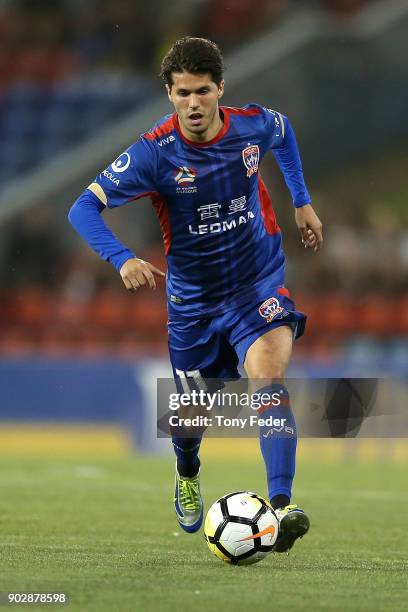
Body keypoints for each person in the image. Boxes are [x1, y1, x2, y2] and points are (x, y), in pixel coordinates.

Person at [69, 37, 323, 552]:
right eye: (182, 93)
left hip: (257, 285)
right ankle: (187, 469)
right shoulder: (152, 153)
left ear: (220, 89)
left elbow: (285, 132)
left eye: (202, 91)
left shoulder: (251, 124)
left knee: (269, 376)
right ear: (169, 93)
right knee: (191, 416)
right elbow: (81, 209)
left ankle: (280, 506)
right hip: (194, 306)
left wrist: (301, 201)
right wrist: (123, 258)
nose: (193, 104)